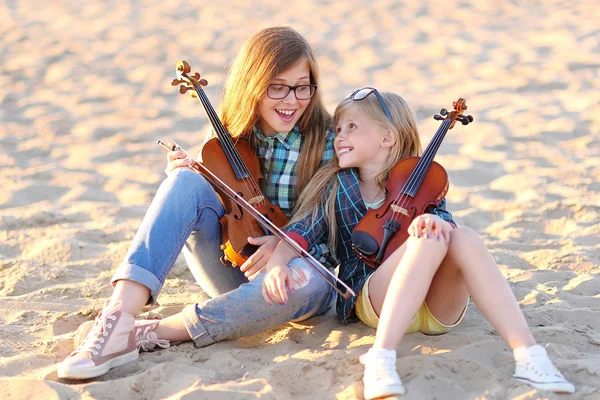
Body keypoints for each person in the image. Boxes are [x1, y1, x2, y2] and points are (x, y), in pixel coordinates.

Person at [57, 26, 338, 380]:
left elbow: (332, 220)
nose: (291, 100)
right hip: (234, 267)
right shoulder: (229, 134)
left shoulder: (328, 140)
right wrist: (192, 175)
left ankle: (148, 333)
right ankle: (116, 321)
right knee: (185, 180)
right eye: (277, 87)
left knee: (309, 284)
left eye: (302, 86)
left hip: (300, 279)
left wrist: (287, 246)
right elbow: (222, 207)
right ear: (253, 85)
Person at [262, 88, 575, 398]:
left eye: (352, 127)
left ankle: (529, 355)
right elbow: (300, 234)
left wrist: (438, 221)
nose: (339, 136)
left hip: (437, 310)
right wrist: (277, 264)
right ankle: (380, 357)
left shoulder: (421, 183)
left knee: (461, 235)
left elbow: (446, 226)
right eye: (339, 129)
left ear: (388, 137)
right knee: (424, 241)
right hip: (374, 298)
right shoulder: (336, 186)